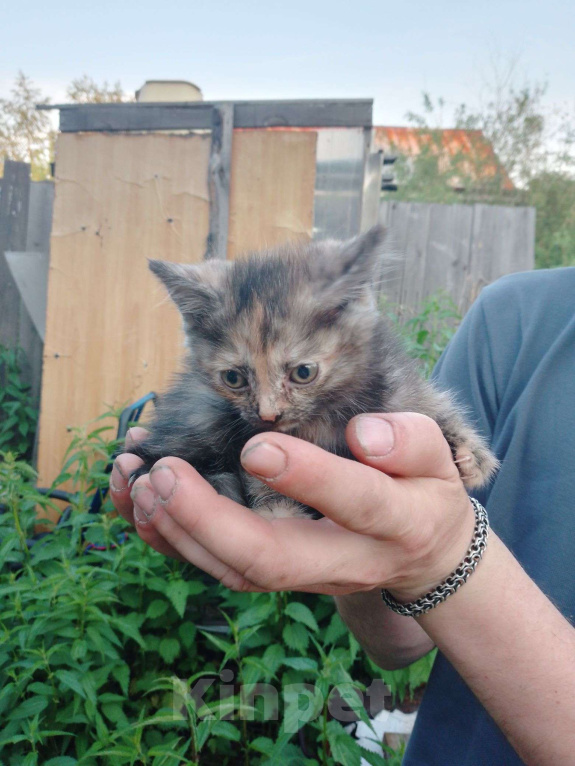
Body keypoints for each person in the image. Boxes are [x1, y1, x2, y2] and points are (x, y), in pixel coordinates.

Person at [111, 267, 575, 765]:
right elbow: (397, 643)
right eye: (237, 377)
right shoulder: (513, 317)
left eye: (302, 373)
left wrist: (443, 554)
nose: (267, 408)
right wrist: (381, 551)